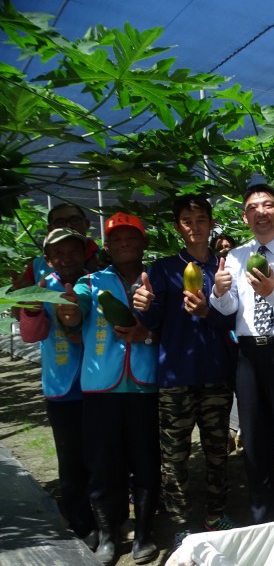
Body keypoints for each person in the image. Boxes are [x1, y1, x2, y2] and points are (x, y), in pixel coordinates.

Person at [132, 196, 238, 545]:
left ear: (211, 223)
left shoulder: (224, 266)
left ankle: (215, 513)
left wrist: (208, 310)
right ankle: (179, 522)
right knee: (174, 456)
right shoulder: (163, 268)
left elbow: (231, 320)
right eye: (187, 220)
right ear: (178, 226)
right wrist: (144, 306)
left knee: (216, 450)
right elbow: (153, 320)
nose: (195, 225)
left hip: (216, 375)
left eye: (201, 218)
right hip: (176, 376)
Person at [56, 212, 160, 565]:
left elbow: (173, 328)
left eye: (131, 237)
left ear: (143, 242)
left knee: (145, 461)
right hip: (101, 387)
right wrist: (68, 310)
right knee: (103, 464)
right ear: (107, 246)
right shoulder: (91, 281)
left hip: (145, 385)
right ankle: (107, 535)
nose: (125, 243)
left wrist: (149, 330)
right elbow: (74, 313)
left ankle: (144, 534)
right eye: (117, 239)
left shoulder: (156, 278)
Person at [209, 183, 274, 526]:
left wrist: (272, 292)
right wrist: (218, 292)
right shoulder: (236, 256)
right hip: (249, 355)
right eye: (253, 207)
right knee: (253, 437)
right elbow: (230, 309)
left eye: (268, 205)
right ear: (245, 216)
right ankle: (262, 516)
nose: (261, 212)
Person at [18, 228, 97, 549]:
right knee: (71, 459)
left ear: (84, 254)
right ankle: (81, 522)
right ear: (48, 260)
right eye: (59, 254)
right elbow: (30, 335)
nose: (67, 258)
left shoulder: (96, 282)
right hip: (62, 388)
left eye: (73, 251)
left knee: (100, 456)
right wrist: (34, 307)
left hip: (98, 385)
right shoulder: (42, 289)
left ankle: (105, 517)